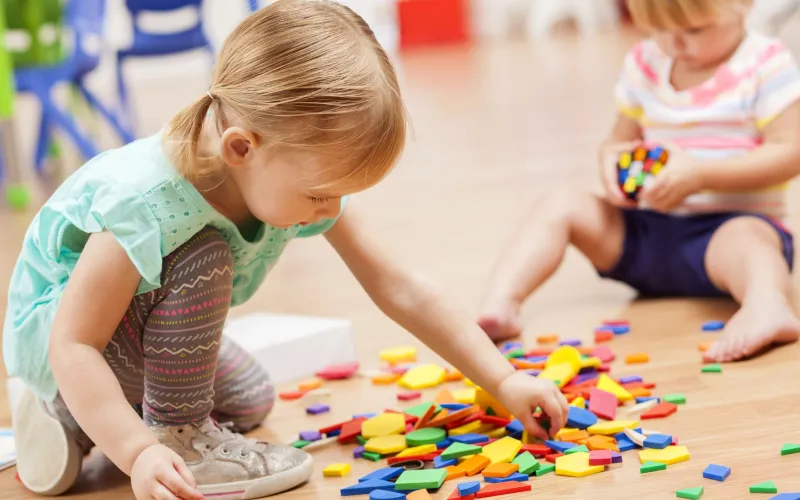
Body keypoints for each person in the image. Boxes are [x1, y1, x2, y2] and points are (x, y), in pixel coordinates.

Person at [4, 2, 568, 499]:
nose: (330, 210)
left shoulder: (280, 173)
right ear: (241, 148)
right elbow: (74, 342)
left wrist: (503, 379)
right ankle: (137, 427)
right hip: (67, 341)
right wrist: (139, 453)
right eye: (320, 194)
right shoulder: (145, 203)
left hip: (122, 337)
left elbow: (398, 286)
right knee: (204, 258)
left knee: (251, 399)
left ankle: (79, 421)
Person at [478, 0, 800, 363]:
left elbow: (790, 153)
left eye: (694, 30)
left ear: (744, 4)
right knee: (560, 203)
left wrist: (701, 175)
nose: (675, 43)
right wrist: (611, 163)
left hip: (722, 237)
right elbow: (619, 141)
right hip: (645, 235)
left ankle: (768, 306)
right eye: (659, 29)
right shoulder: (646, 63)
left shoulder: (765, 64)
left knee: (750, 239)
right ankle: (500, 303)